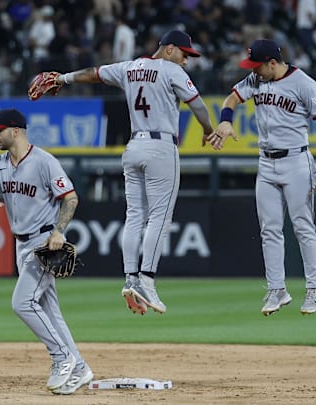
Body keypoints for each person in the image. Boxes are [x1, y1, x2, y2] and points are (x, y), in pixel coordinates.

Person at [36, 30, 214, 315]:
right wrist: (208, 130)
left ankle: (130, 278)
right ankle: (146, 280)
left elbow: (93, 73)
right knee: (160, 217)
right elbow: (199, 105)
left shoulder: (129, 67)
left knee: (134, 216)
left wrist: (62, 78)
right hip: (161, 147)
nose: (185, 61)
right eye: (184, 53)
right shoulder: (170, 69)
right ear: (169, 50)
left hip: (133, 146)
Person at [208, 39, 316, 316]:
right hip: (266, 162)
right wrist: (226, 119)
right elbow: (231, 99)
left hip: (297, 160)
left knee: (302, 225)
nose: (254, 70)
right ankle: (277, 289)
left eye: (257, 65)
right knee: (269, 229)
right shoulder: (255, 79)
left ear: (272, 63)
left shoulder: (305, 83)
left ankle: (315, 289)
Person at [0, 108, 93, 395]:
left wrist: (59, 231)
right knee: (50, 311)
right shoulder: (0, 164)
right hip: (20, 243)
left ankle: (62, 356)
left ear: (15, 131)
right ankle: (79, 368)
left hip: (43, 244)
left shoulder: (43, 161)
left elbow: (70, 197)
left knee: (22, 303)